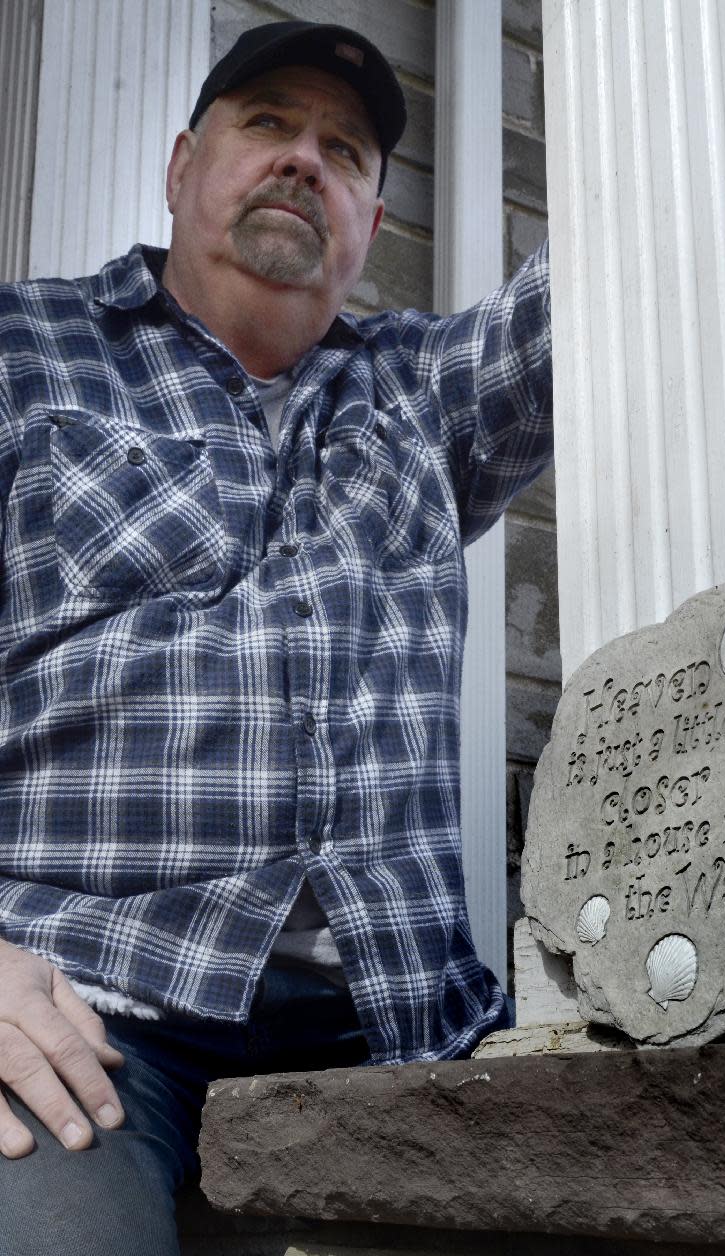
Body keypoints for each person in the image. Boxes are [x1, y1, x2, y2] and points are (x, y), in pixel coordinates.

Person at [0, 19, 551, 1254]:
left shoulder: (422, 392)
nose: (306, 158)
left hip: (394, 1021)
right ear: (182, 161)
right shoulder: (22, 354)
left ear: (365, 221)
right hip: (81, 998)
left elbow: (619, 267)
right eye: (268, 125)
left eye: (346, 151)